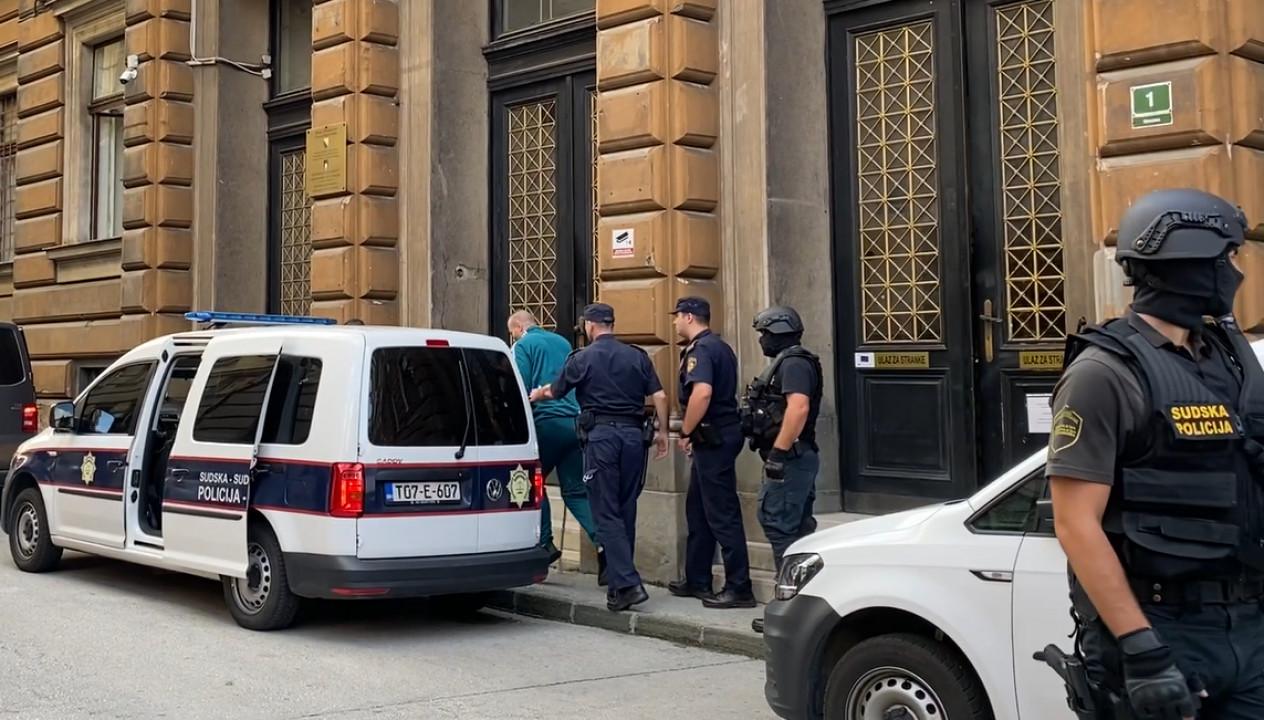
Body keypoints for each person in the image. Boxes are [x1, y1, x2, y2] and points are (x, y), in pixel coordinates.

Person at [1048, 188, 1264, 720]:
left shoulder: (1229, 361)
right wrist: (1143, 649)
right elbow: (1076, 524)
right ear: (1189, 265)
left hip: (1248, 623)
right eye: (1226, 259)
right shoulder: (1103, 374)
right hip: (1165, 631)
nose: (1234, 273)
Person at [530, 303, 670, 612]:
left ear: (590, 326)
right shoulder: (637, 356)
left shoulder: (583, 358)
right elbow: (659, 396)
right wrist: (662, 432)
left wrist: (538, 394)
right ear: (611, 324)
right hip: (635, 438)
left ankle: (630, 584)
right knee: (625, 507)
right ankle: (620, 588)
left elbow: (556, 391)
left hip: (602, 438)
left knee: (605, 511)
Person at [666, 297, 755, 609]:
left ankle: (739, 587)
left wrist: (686, 431)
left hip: (713, 436)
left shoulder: (702, 349)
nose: (675, 322)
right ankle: (697, 578)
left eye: (677, 317)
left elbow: (702, 393)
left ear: (689, 317)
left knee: (721, 513)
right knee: (699, 509)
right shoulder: (720, 347)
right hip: (716, 435)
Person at [507, 310, 603, 581]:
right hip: (575, 424)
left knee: (533, 482)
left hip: (546, 424)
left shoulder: (523, 345)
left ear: (517, 328)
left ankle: (546, 543)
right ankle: (604, 543)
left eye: (512, 332)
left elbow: (521, 387)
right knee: (576, 491)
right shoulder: (562, 342)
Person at [741, 306, 823, 571]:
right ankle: (797, 597)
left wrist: (778, 453)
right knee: (796, 528)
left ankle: (789, 596)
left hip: (791, 459)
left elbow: (798, 407)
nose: (761, 339)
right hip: (793, 458)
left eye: (764, 333)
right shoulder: (787, 362)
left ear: (779, 331)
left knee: (780, 525)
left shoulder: (794, 364)